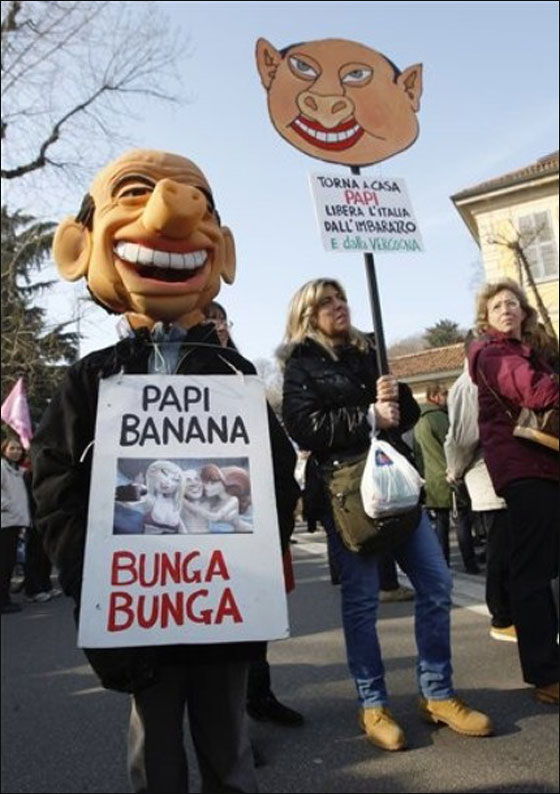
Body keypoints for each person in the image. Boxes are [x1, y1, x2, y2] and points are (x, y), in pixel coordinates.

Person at [31, 150, 300, 793]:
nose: (171, 213)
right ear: (80, 245)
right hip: (136, 608)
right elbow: (56, 484)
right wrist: (90, 579)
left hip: (221, 605)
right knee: (154, 755)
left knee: (227, 750)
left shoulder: (234, 374)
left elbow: (275, 474)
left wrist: (257, 567)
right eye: (133, 193)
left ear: (222, 252)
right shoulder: (91, 377)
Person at [280, 278, 492, 752]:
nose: (339, 306)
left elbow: (407, 416)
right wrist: (368, 416)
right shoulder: (300, 363)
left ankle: (437, 692)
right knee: (361, 603)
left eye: (341, 298)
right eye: (327, 302)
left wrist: (397, 397)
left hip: (396, 488)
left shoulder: (369, 350)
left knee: (436, 584)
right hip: (348, 496)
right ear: (308, 314)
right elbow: (303, 426)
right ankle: (372, 702)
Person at [202, 300, 304, 727]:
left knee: (253, 610)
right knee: (215, 618)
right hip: (208, 524)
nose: (217, 327)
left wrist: (283, 501)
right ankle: (229, 728)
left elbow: (276, 447)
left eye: (221, 319)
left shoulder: (242, 374)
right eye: (207, 319)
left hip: (253, 512)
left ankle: (258, 696)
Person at [468, 278, 559, 706]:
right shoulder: (492, 354)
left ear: (524, 312)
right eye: (497, 306)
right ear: (486, 318)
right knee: (533, 572)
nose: (506, 309)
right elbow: (536, 392)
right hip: (524, 469)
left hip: (547, 465)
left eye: (512, 303)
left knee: (540, 566)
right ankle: (545, 672)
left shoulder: (532, 351)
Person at [445, 351, 514, 642]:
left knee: (511, 547)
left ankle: (510, 611)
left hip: (504, 472)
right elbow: (461, 438)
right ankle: (502, 615)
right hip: (487, 475)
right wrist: (455, 470)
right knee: (501, 547)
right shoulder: (468, 384)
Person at [414, 382, 479, 574]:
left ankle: (443, 563)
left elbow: (418, 454)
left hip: (432, 480)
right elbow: (454, 444)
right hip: (449, 477)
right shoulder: (440, 419)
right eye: (444, 393)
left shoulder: (419, 422)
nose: (447, 397)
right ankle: (470, 563)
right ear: (434, 396)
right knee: (462, 521)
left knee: (441, 525)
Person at [1, 437, 31, 613]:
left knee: (8, 563)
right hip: (5, 522)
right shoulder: (2, 467)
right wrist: (9, 506)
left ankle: (5, 598)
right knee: (4, 564)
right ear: (4, 450)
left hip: (14, 522)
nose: (16, 451)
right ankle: (3, 601)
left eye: (19, 449)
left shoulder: (18, 471)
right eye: (12, 448)